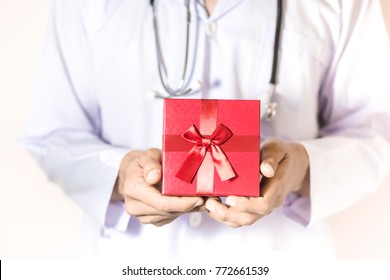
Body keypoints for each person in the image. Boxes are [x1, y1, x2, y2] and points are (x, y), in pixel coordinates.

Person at [21, 0, 390, 260]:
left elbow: (374, 133)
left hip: (278, 259)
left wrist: (300, 168)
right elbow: (53, 135)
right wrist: (119, 177)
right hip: (131, 260)